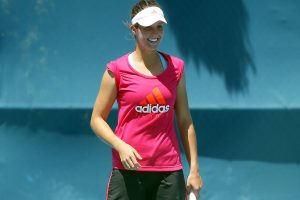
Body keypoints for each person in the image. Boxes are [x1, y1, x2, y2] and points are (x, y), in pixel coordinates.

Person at [90, 0, 203, 199]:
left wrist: (194, 170)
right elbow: (97, 119)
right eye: (148, 28)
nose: (155, 34)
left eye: (159, 27)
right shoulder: (116, 70)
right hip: (127, 172)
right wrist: (120, 146)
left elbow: (185, 121)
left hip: (169, 172)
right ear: (134, 29)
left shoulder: (176, 69)